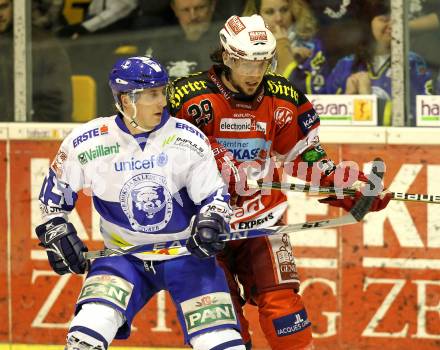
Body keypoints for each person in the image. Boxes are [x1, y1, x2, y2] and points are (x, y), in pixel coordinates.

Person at [167, 14, 391, 350]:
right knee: (222, 328)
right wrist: (209, 159)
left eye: (263, 62)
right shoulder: (187, 98)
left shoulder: (284, 97)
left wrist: (351, 186)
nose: (256, 73)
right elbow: (159, 157)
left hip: (262, 223)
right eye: (246, 63)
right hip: (202, 229)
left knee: (286, 314)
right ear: (227, 57)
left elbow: (306, 159)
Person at [35, 56, 246, 350]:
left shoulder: (187, 139)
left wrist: (213, 220)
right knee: (85, 335)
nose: (163, 101)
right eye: (152, 94)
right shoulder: (87, 142)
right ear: (126, 99)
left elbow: (215, 198)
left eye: (163, 91)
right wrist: (56, 230)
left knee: (222, 344)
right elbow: (53, 198)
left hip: (187, 255)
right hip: (123, 257)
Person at [324, 1, 433, 126]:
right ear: (368, 24)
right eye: (384, 19)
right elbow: (325, 115)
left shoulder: (413, 63)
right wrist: (348, 98)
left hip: (397, 142)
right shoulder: (346, 65)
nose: (392, 25)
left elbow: (423, 115)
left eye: (397, 20)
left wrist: (370, 101)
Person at [0, 0, 72, 121]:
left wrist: (27, 134)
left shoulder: (43, 45)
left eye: (4, 6)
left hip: (33, 134)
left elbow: (57, 105)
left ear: (15, 7)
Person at [242, 0, 329, 93]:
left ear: (294, 11)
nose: (279, 18)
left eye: (284, 10)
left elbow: (314, 93)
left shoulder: (312, 46)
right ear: (256, 15)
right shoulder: (241, 46)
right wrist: (281, 51)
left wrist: (285, 52)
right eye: (270, 12)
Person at [57, 0, 138, 38]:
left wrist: (84, 27)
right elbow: (94, 10)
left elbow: (114, 13)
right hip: (96, 25)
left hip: (117, 30)